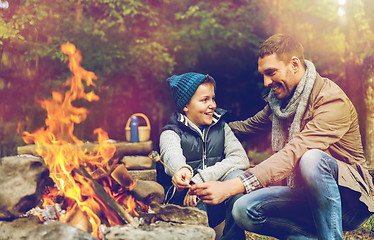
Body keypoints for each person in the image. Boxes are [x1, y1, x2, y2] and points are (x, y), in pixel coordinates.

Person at [189, 34, 374, 240]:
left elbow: (294, 152)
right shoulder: (280, 104)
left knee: (312, 158)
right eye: (263, 75)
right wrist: (197, 127)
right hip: (304, 196)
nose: (266, 82)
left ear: (294, 64)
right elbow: (246, 127)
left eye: (271, 72)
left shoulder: (331, 100)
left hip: (348, 204)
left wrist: (230, 187)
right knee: (243, 209)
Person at [157, 72, 249, 239]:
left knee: (238, 177)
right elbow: (172, 155)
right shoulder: (171, 133)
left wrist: (199, 180)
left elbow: (240, 159)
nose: (212, 105)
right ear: (186, 105)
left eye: (213, 99)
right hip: (183, 207)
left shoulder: (221, 127)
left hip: (216, 203)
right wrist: (182, 171)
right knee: (196, 193)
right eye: (204, 100)